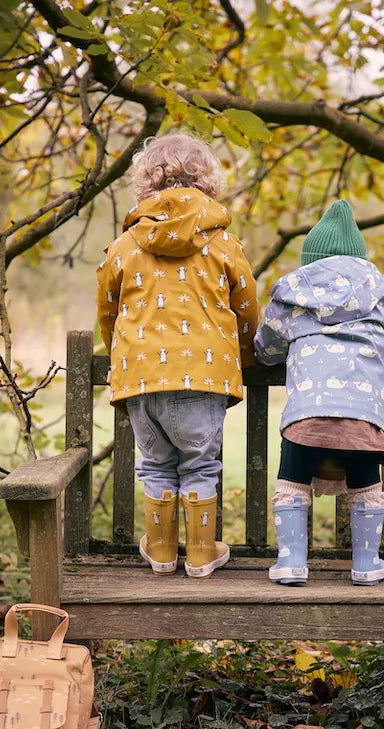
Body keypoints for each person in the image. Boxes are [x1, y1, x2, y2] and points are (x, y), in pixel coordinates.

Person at [97, 133, 259, 579]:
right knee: (201, 463)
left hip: (140, 380)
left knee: (155, 466)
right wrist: (241, 357)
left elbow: (107, 312)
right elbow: (246, 309)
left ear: (144, 182)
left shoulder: (125, 246)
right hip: (203, 378)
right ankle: (202, 555)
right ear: (208, 180)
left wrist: (119, 358)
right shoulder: (225, 243)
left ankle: (164, 553)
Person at [254, 199, 384, 586]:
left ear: (311, 260)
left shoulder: (294, 295)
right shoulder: (378, 292)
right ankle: (366, 563)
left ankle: (291, 561)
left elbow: (266, 348)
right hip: (363, 416)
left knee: (292, 479)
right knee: (365, 483)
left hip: (306, 414)